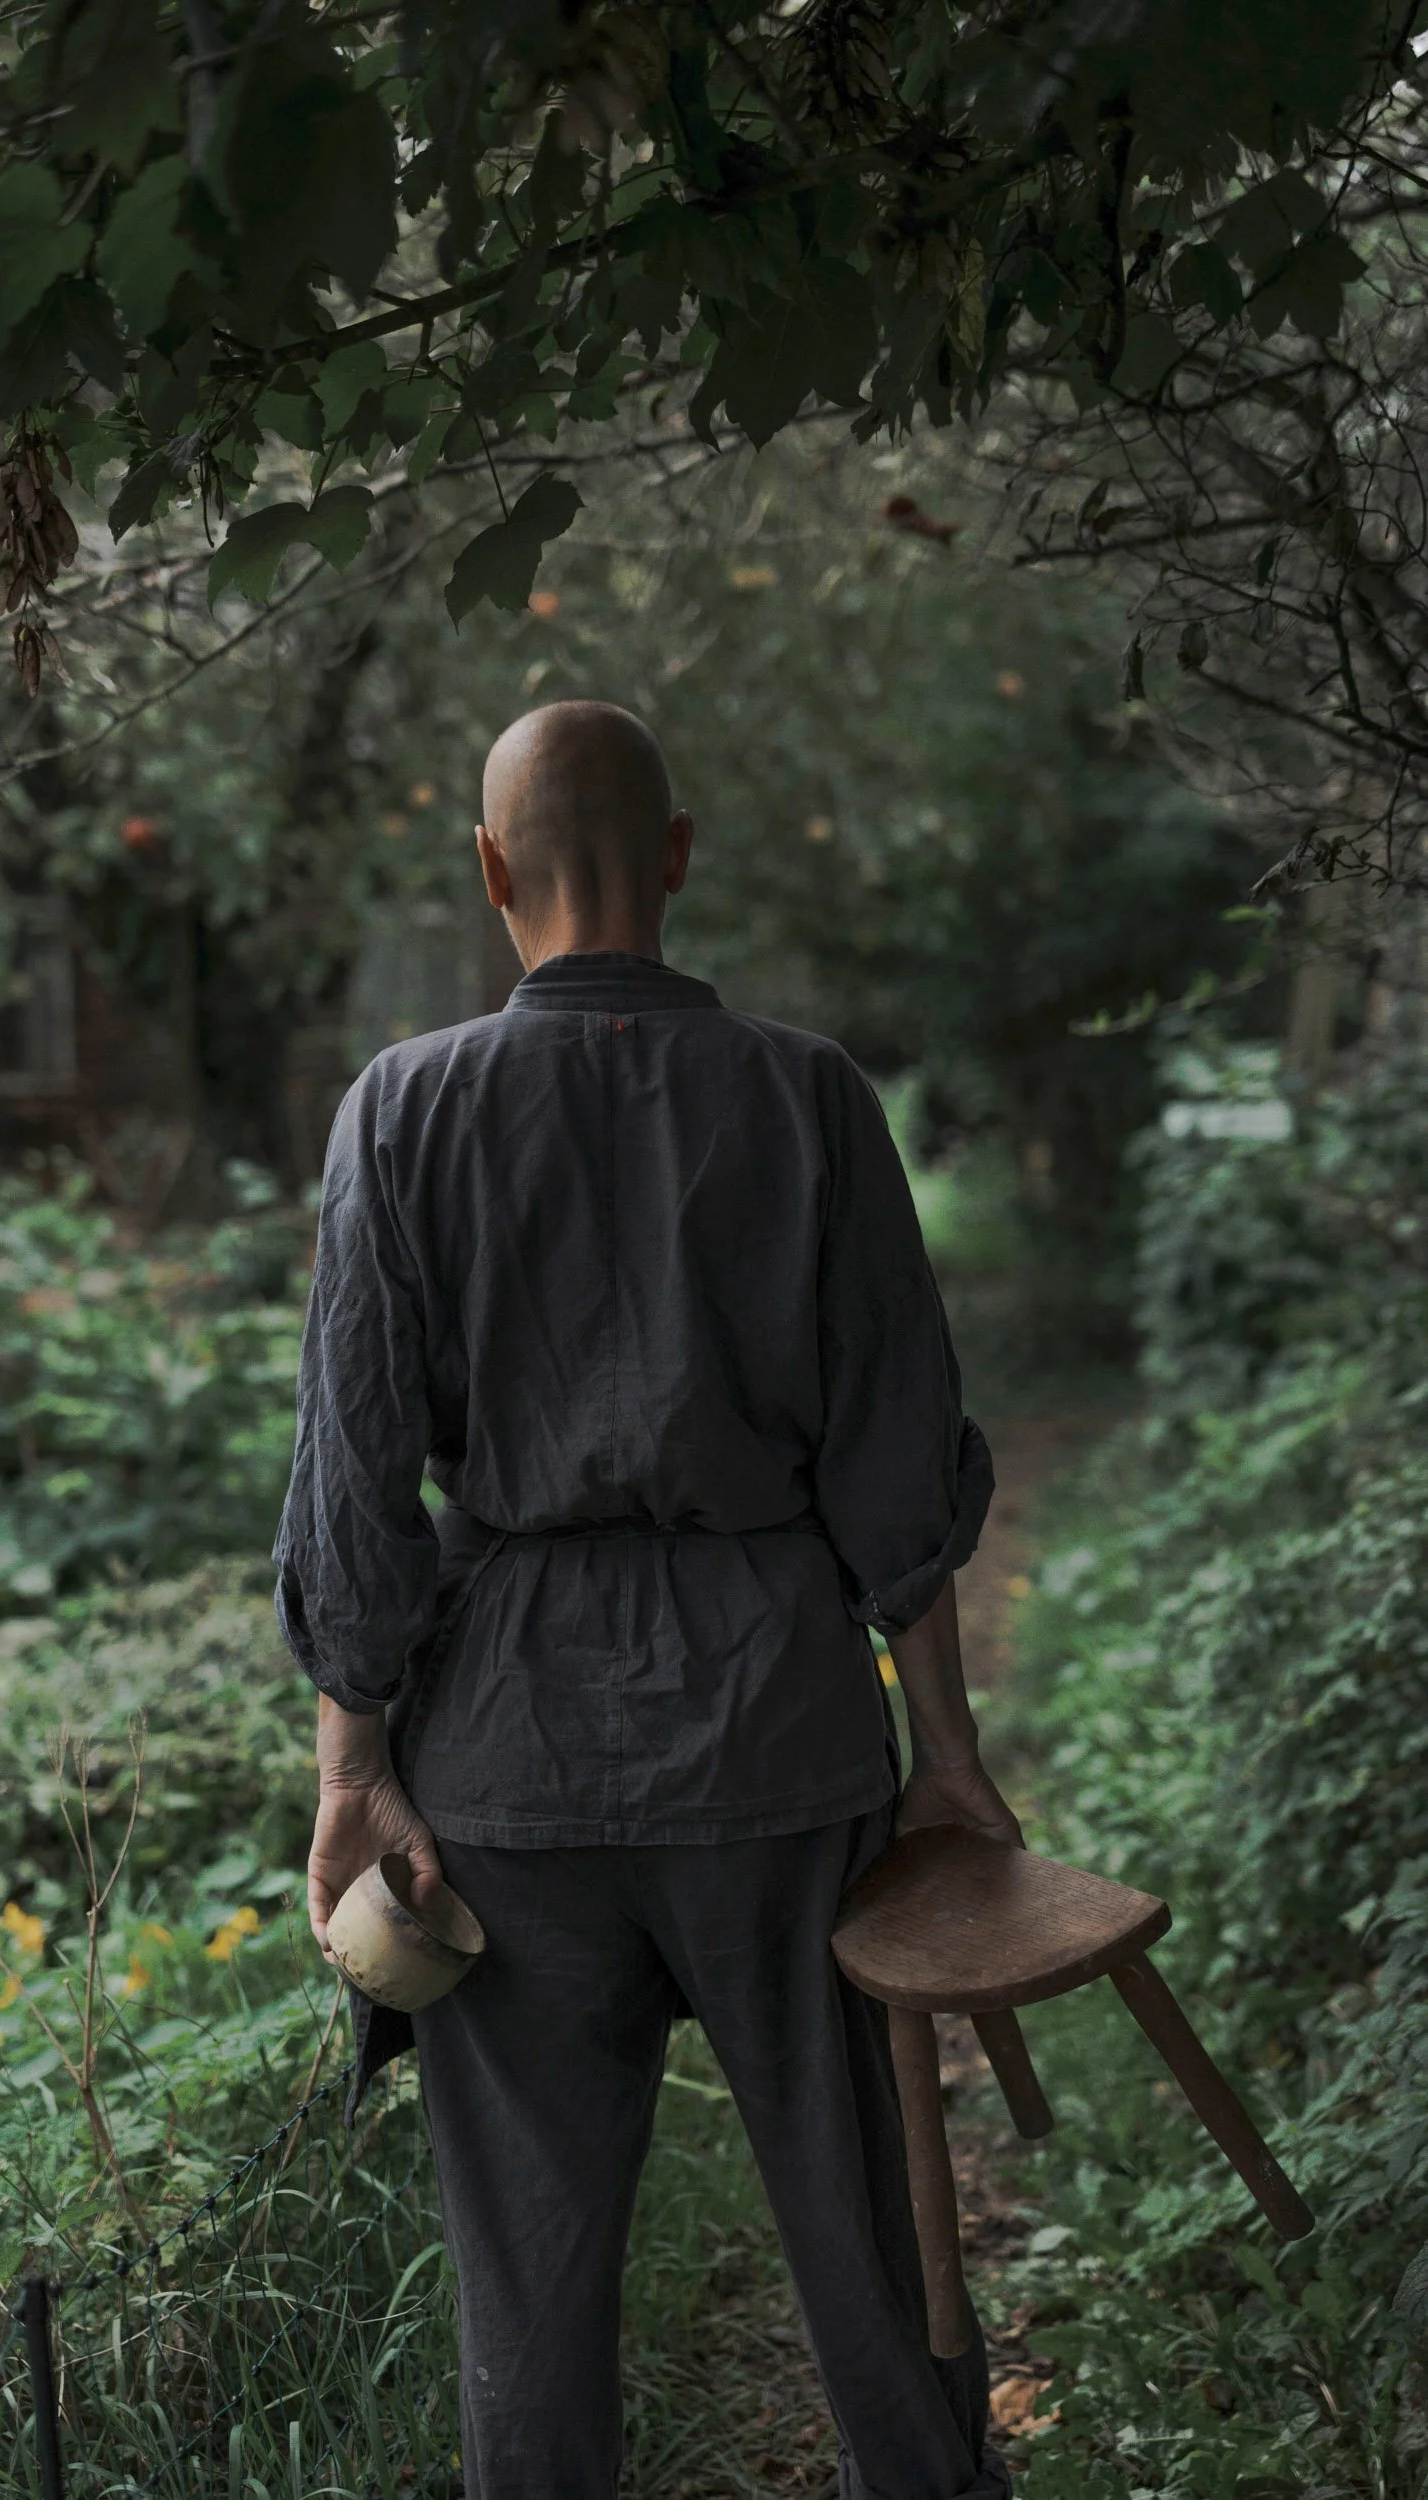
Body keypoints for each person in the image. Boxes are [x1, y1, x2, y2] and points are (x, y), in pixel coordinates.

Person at [274, 700, 1019, 2500]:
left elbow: (355, 1472)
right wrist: (946, 1756)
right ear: (676, 855)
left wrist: (349, 1769)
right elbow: (894, 1459)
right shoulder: (810, 1096)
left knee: (526, 2284)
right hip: (781, 1740)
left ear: (486, 872)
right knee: (871, 2226)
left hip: (508, 1768)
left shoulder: (403, 1108)